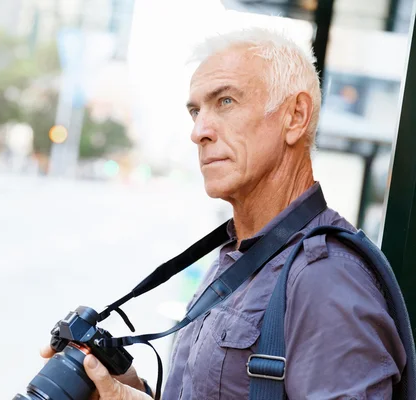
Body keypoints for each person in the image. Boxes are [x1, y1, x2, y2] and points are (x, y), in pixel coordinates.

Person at [41, 27, 406, 399]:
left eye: (226, 102)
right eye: (196, 111)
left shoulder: (327, 279)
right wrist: (124, 389)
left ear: (295, 116)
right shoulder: (237, 257)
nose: (199, 131)